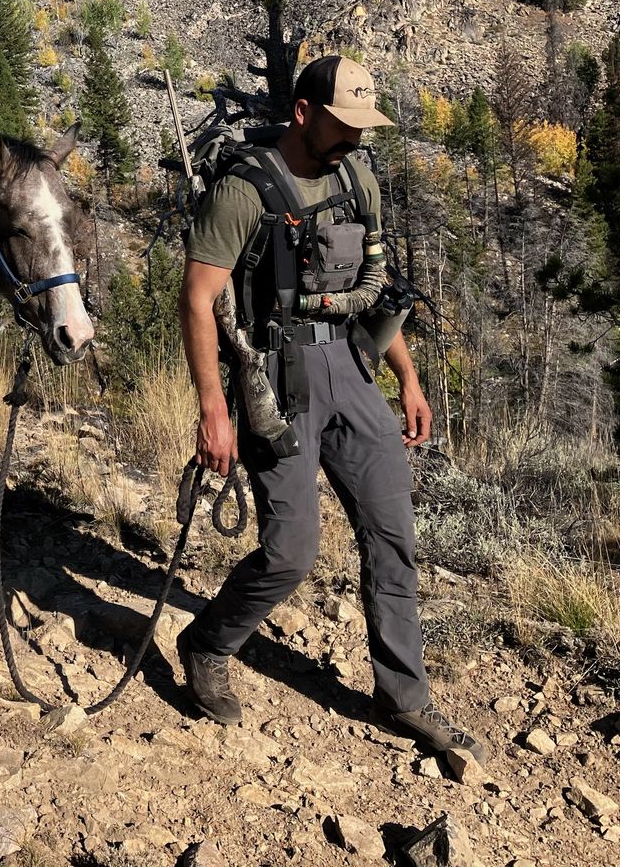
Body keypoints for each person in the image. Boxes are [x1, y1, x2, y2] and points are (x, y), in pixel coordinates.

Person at [174, 54, 485, 766]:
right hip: (275, 379)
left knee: (391, 533)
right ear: (304, 113)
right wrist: (213, 408)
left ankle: (403, 697)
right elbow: (197, 298)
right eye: (344, 124)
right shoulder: (243, 192)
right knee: (291, 552)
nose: (355, 138)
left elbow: (371, 286)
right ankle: (208, 643)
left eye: (363, 126)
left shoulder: (356, 177)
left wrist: (406, 376)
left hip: (351, 364)